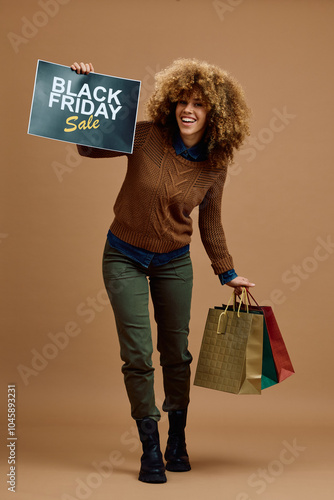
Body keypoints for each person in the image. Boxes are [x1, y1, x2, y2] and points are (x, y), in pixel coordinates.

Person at [71, 58, 255, 484]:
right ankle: (150, 447)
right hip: (124, 256)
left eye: (199, 104)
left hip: (174, 260)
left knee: (177, 354)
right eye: (183, 101)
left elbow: (210, 221)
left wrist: (227, 272)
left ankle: (177, 440)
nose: (188, 110)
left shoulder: (215, 163)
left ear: (215, 115)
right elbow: (87, 146)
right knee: (137, 355)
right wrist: (84, 89)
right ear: (172, 103)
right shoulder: (146, 134)